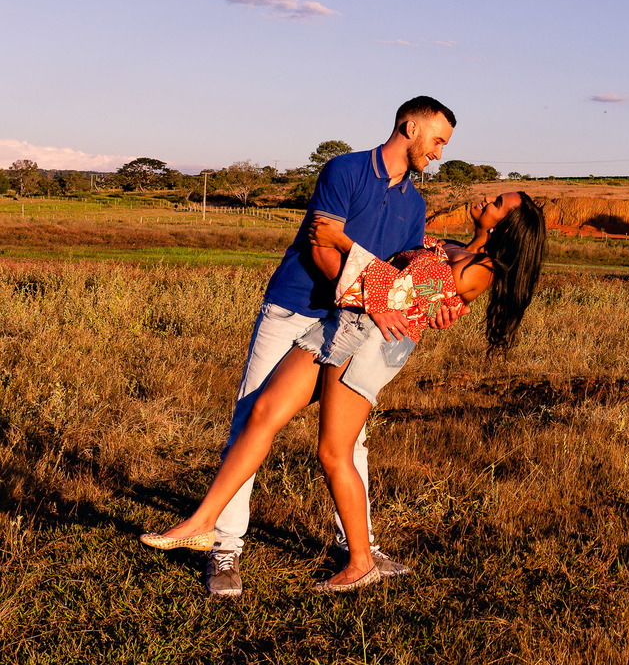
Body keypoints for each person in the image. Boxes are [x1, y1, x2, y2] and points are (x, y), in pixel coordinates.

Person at [141, 192, 546, 592]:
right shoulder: (455, 248)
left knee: (335, 451)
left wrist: (342, 241)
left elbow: (398, 293)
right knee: (262, 411)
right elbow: (395, 260)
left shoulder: (479, 270)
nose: (487, 199)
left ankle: (360, 561)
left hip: (372, 342)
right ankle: (202, 523)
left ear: (504, 225)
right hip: (343, 322)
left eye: (498, 203)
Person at [195, 96, 462, 598]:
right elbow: (321, 250)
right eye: (438, 140)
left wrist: (438, 298)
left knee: (348, 438)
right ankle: (225, 546)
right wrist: (377, 299)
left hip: (352, 323)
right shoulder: (346, 171)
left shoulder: (414, 203)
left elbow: (405, 265)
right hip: (297, 307)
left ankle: (356, 546)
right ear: (410, 126)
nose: (440, 152)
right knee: (253, 416)